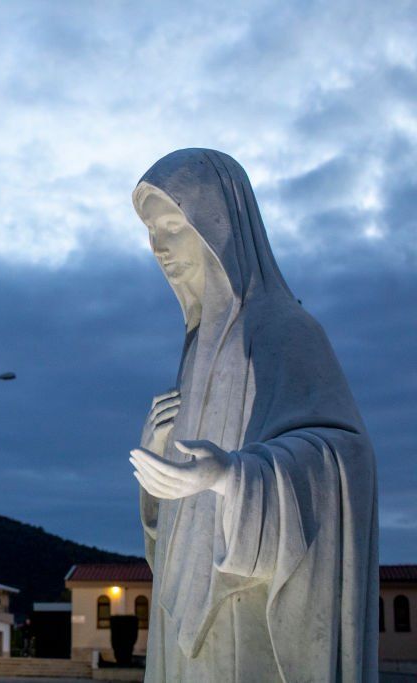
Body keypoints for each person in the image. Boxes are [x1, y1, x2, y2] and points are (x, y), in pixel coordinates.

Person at [128, 149, 378, 681]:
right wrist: (156, 474)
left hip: (251, 612)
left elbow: (345, 457)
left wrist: (234, 478)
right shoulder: (197, 348)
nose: (159, 246)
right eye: (152, 230)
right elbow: (173, 524)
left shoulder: (284, 331)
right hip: (185, 629)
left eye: (174, 224)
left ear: (223, 226)